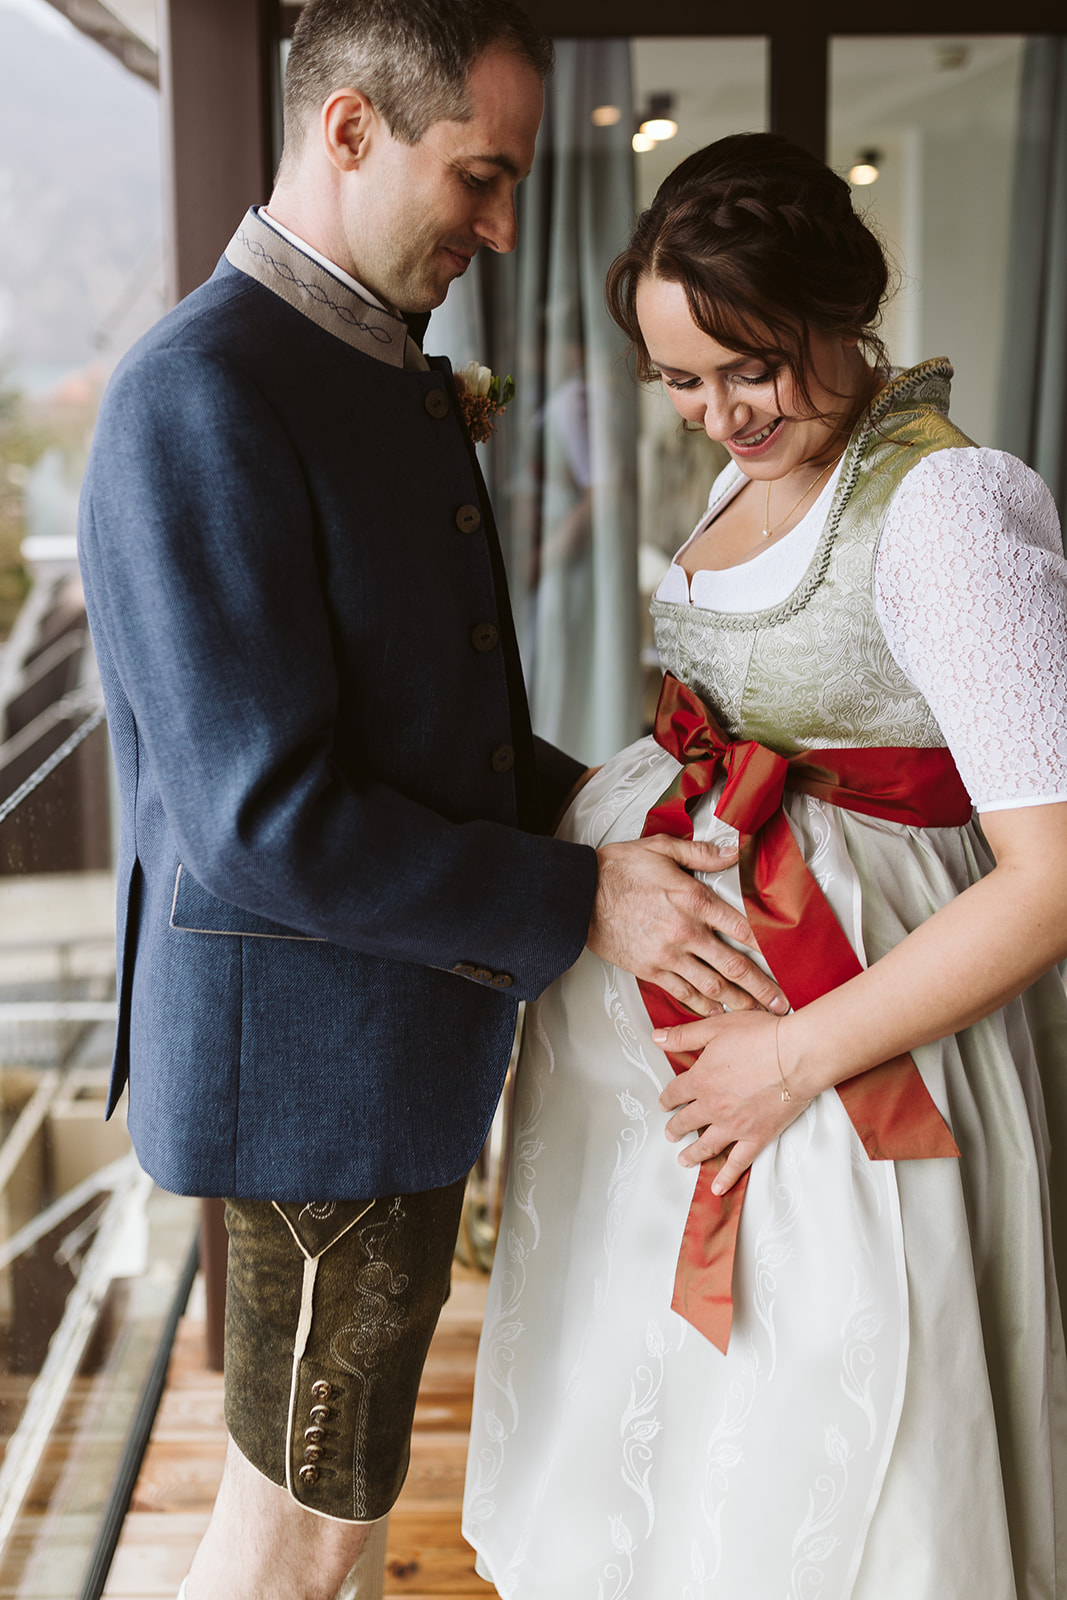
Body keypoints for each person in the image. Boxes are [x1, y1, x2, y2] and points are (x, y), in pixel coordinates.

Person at [77, 10, 786, 1600]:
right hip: (309, 1077)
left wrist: (615, 809)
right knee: (296, 1546)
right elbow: (262, 819)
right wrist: (588, 897)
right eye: (479, 176)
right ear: (345, 130)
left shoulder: (361, 361)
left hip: (374, 1044)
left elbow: (423, 735)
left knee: (323, 1531)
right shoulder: (201, 392)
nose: (503, 226)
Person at [463, 132, 1067, 1599]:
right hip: (692, 1081)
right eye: (682, 379)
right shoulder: (755, 483)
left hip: (844, 1061)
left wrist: (790, 1061)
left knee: (832, 1435)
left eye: (757, 366)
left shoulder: (946, 511)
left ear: (841, 314)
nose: (723, 413)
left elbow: (1053, 877)